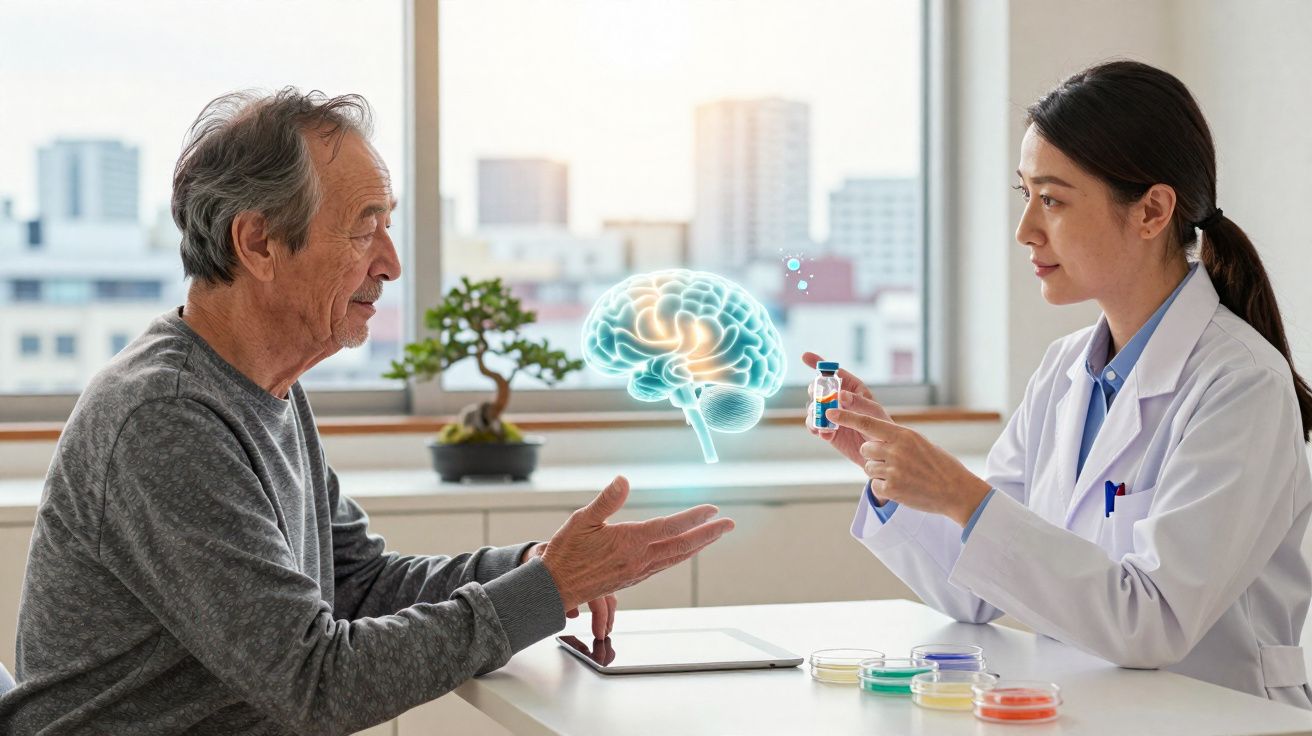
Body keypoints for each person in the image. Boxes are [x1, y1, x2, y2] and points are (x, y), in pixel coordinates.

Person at [0, 89, 734, 734]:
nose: (390, 262)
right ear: (257, 242)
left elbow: (362, 586)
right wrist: (545, 592)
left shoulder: (264, 390)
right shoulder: (165, 418)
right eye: (364, 226)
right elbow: (317, 683)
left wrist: (535, 566)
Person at [808, 60, 1312, 708]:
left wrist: (961, 494)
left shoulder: (1241, 387)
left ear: (1153, 211)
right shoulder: (1065, 371)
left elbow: (1151, 621)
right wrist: (888, 471)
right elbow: (977, 588)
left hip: (1226, 719)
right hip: (1089, 712)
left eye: (1052, 199)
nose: (1025, 230)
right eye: (1025, 195)